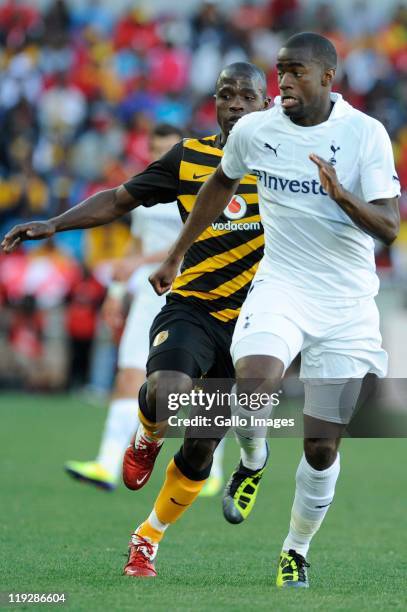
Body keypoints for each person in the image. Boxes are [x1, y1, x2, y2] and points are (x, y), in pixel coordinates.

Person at [150, 33, 400, 588]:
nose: (283, 81)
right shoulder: (256, 130)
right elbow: (220, 183)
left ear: (327, 78)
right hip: (282, 285)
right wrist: (177, 253)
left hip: (346, 305)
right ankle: (254, 459)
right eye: (279, 71)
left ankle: (296, 548)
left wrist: (342, 195)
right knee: (252, 388)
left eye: (296, 72)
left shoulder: (365, 135)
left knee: (319, 444)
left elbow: (388, 226)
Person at [1, 62, 272, 576]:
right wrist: (54, 224)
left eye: (247, 96)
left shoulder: (287, 167)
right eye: (226, 94)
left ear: (266, 104)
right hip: (192, 306)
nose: (236, 104)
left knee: (198, 452)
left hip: (256, 324)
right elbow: (120, 199)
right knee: (164, 390)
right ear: (214, 102)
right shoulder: (190, 157)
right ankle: (146, 436)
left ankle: (147, 538)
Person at [64, 123, 183, 490]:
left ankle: (210, 469)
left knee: (206, 385)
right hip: (148, 294)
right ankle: (107, 464)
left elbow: (196, 244)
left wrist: (140, 261)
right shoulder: (145, 190)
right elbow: (134, 245)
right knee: (129, 375)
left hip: (189, 293)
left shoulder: (200, 188)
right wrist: (116, 292)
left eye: (170, 149)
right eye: (156, 149)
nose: (163, 156)